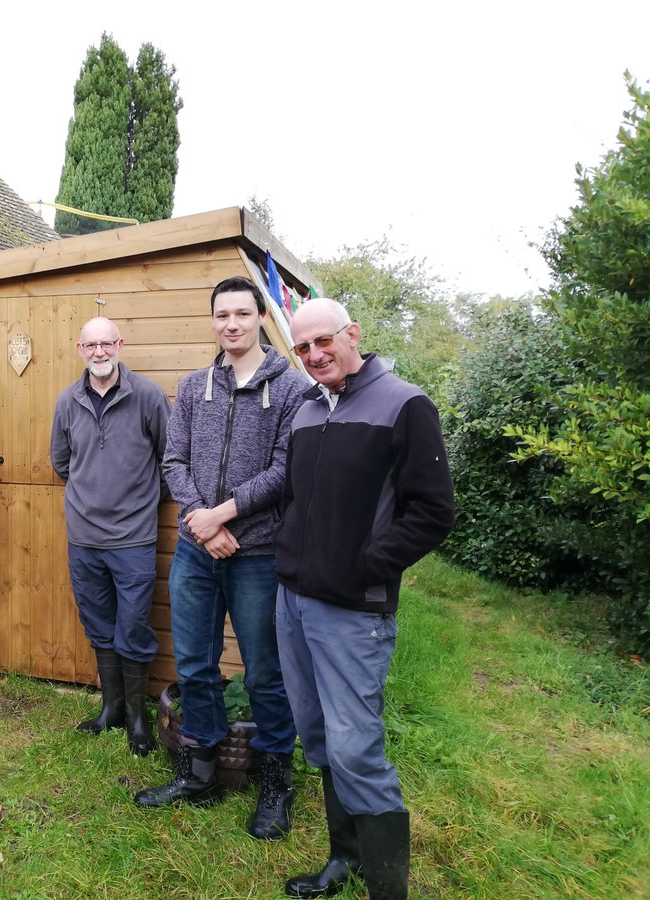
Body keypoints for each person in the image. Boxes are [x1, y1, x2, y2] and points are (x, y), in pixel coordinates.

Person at [274, 299, 454, 899]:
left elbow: (433, 512)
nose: (314, 355)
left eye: (323, 341)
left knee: (356, 747)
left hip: (353, 612)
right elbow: (298, 499)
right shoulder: (304, 410)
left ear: (352, 334)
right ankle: (343, 858)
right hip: (294, 601)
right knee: (319, 735)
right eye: (302, 349)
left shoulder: (405, 404)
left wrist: (367, 565)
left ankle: (387, 891)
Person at [135, 276, 309, 844]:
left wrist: (224, 514)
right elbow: (174, 461)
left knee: (265, 673)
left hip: (257, 554)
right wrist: (201, 522)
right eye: (221, 315)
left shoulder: (289, 391)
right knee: (194, 665)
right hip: (196, 550)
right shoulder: (191, 387)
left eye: (241, 313)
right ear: (211, 322)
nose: (230, 323)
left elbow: (286, 471)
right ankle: (200, 773)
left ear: (261, 316)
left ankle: (276, 782)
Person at [50, 316, 170, 756]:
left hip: (134, 538)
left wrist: (139, 499)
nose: (99, 352)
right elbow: (61, 462)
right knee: (99, 626)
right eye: (90, 345)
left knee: (134, 626)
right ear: (79, 349)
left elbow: (169, 459)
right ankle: (112, 709)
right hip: (83, 538)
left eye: (106, 343)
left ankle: (139, 720)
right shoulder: (68, 401)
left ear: (119, 344)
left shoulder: (148, 397)